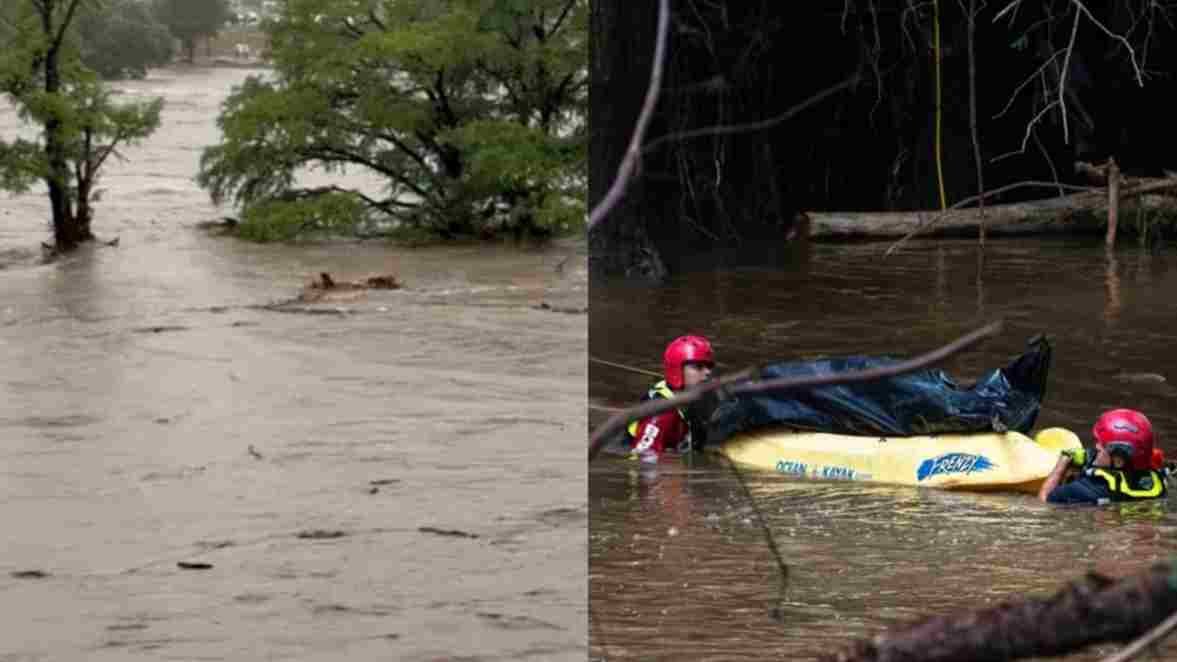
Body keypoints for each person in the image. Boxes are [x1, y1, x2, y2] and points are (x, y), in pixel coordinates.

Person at [1038, 409, 1169, 505]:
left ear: (1118, 460)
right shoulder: (1159, 483)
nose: (1096, 447)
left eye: (1101, 446)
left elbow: (1044, 502)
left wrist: (1063, 463)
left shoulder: (1087, 489)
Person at [626, 335, 715, 464]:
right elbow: (641, 461)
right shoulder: (660, 414)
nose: (707, 372)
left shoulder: (694, 397)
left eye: (709, 366)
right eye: (698, 366)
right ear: (677, 370)